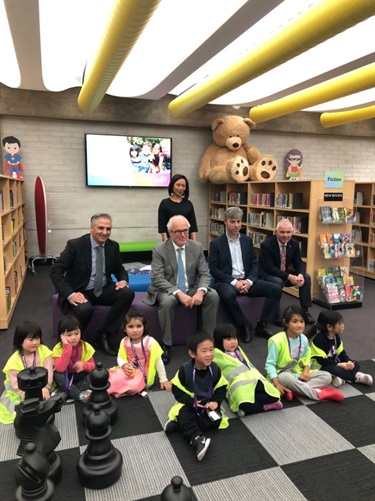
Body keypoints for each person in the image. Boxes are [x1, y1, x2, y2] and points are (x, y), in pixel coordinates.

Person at [50, 213, 135, 356]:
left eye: (108, 229)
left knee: (127, 293)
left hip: (102, 288)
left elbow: (119, 269)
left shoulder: (112, 246)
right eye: (101, 228)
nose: (105, 232)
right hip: (80, 290)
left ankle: (104, 335)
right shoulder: (75, 245)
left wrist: (123, 280)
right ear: (91, 228)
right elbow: (55, 271)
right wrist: (70, 294)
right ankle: (74, 343)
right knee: (85, 309)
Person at [144, 215, 218, 364]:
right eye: (178, 231)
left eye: (185, 230)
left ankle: (206, 341)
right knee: (167, 301)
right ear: (170, 232)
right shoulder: (160, 249)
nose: (183, 234)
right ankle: (167, 344)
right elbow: (157, 278)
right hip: (166, 289)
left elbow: (205, 273)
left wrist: (201, 291)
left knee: (213, 295)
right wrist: (179, 293)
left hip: (190, 287)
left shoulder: (196, 247)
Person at [209, 206, 282, 342]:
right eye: (232, 221)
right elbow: (213, 269)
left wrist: (249, 281)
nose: (236, 225)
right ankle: (243, 325)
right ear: (225, 221)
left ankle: (262, 324)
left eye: (238, 221)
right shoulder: (216, 244)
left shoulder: (247, 240)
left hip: (247, 280)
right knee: (227, 294)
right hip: (227, 281)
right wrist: (234, 282)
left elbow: (255, 264)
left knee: (276, 289)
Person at [163, 331, 228, 461]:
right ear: (192, 353)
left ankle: (180, 425)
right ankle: (197, 439)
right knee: (185, 413)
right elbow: (176, 389)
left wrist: (216, 401)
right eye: (204, 351)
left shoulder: (215, 369)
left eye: (211, 349)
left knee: (216, 421)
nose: (209, 354)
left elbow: (221, 387)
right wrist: (190, 402)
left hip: (207, 406)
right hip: (191, 405)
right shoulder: (185, 370)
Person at [265, 305, 344, 402]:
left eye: (302, 321)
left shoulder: (303, 339)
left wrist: (306, 370)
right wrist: (276, 383)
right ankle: (317, 394)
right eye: (295, 321)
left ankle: (294, 391)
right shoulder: (276, 340)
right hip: (282, 374)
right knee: (285, 377)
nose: (299, 325)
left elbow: (307, 358)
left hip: (299, 374)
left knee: (327, 376)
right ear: (286, 323)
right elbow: (270, 364)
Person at [213, 323, 282, 416]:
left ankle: (254, 407)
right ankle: (265, 407)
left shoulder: (238, 350)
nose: (233, 342)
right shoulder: (217, 355)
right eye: (228, 339)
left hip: (255, 381)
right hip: (239, 388)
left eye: (234, 338)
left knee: (272, 394)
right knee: (243, 403)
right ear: (219, 340)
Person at [258, 218, 315, 324]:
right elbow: (270, 268)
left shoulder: (294, 244)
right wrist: (289, 276)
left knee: (306, 278)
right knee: (278, 281)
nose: (285, 235)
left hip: (283, 272)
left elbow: (298, 262)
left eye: (288, 232)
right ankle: (276, 314)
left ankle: (305, 311)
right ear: (276, 232)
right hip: (267, 274)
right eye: (282, 232)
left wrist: (300, 275)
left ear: (292, 232)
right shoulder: (267, 245)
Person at [107, 309, 171, 397]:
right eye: (131, 326)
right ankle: (108, 388)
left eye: (138, 326)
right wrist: (124, 365)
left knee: (133, 386)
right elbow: (120, 357)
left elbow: (158, 362)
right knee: (113, 377)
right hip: (129, 370)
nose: (135, 330)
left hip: (144, 374)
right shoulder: (124, 341)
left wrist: (163, 379)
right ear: (125, 329)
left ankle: (115, 390)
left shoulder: (150, 342)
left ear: (144, 327)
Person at [0, 321, 53, 424]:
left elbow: (48, 372)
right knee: (23, 411)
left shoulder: (44, 351)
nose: (35, 342)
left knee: (47, 404)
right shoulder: (13, 361)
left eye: (37, 338)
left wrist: (45, 389)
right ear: (20, 341)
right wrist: (29, 395)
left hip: (42, 384)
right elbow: (15, 384)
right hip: (20, 390)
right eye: (31, 339)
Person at [311, 310, 373, 387]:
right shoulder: (319, 340)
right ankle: (356, 377)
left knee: (356, 364)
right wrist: (339, 365)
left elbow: (341, 353)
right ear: (329, 327)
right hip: (321, 366)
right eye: (339, 323)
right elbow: (322, 361)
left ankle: (342, 378)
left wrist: (348, 362)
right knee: (334, 369)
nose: (343, 325)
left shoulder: (336, 337)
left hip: (335, 363)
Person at [52, 315, 95, 403]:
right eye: (69, 335)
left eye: (77, 333)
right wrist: (67, 348)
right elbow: (60, 368)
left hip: (78, 375)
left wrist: (84, 365)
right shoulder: (57, 348)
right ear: (62, 336)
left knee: (93, 375)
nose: (74, 337)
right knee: (56, 374)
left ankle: (65, 393)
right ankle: (80, 395)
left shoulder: (85, 346)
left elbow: (92, 365)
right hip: (65, 376)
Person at [158, 174, 198, 241]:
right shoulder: (164, 203)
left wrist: (195, 244)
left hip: (186, 241)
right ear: (172, 185)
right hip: (170, 241)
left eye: (183, 186)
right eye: (178, 185)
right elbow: (162, 228)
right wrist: (166, 244)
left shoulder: (188, 204)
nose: (180, 188)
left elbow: (193, 227)